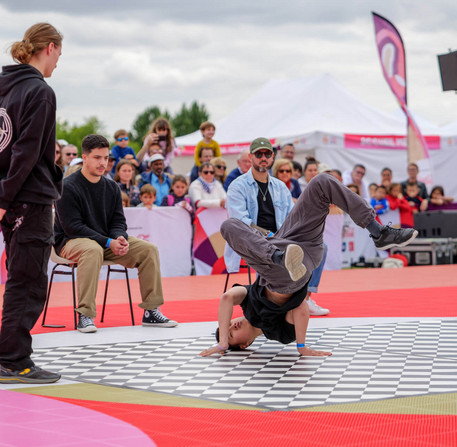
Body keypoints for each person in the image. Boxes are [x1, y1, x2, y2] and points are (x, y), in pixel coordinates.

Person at [200, 173, 418, 357]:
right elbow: (300, 309)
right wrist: (302, 347)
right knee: (253, 244)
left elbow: (227, 298)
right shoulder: (277, 333)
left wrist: (222, 341)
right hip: (288, 275)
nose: (232, 326)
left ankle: (378, 231)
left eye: (227, 324)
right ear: (245, 344)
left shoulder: (247, 303)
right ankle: (281, 260)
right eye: (231, 334)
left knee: (321, 182)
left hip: (288, 242)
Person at [54, 134, 178, 333]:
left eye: (106, 157)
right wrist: (108, 241)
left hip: (104, 242)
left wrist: (119, 237)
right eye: (97, 157)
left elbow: (118, 221)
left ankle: (151, 311)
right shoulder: (67, 186)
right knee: (92, 250)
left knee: (148, 250)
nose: (103, 163)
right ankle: (85, 314)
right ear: (84, 157)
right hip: (70, 242)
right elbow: (72, 227)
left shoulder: (111, 186)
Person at [0, 23, 63, 384]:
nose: (58, 64)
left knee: (20, 279)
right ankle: (13, 359)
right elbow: (26, 152)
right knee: (28, 282)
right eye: (59, 56)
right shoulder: (40, 91)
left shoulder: (6, 90)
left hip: (12, 197)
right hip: (29, 198)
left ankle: (11, 355)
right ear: (50, 48)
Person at [225, 138, 329, 316]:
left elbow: (292, 217)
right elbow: (240, 221)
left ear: (272, 157)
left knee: (321, 246)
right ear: (251, 157)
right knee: (266, 246)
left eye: (267, 154)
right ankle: (268, 301)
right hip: (252, 239)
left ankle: (305, 298)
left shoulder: (281, 187)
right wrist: (269, 234)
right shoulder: (238, 186)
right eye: (259, 154)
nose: (263, 158)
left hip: (282, 237)